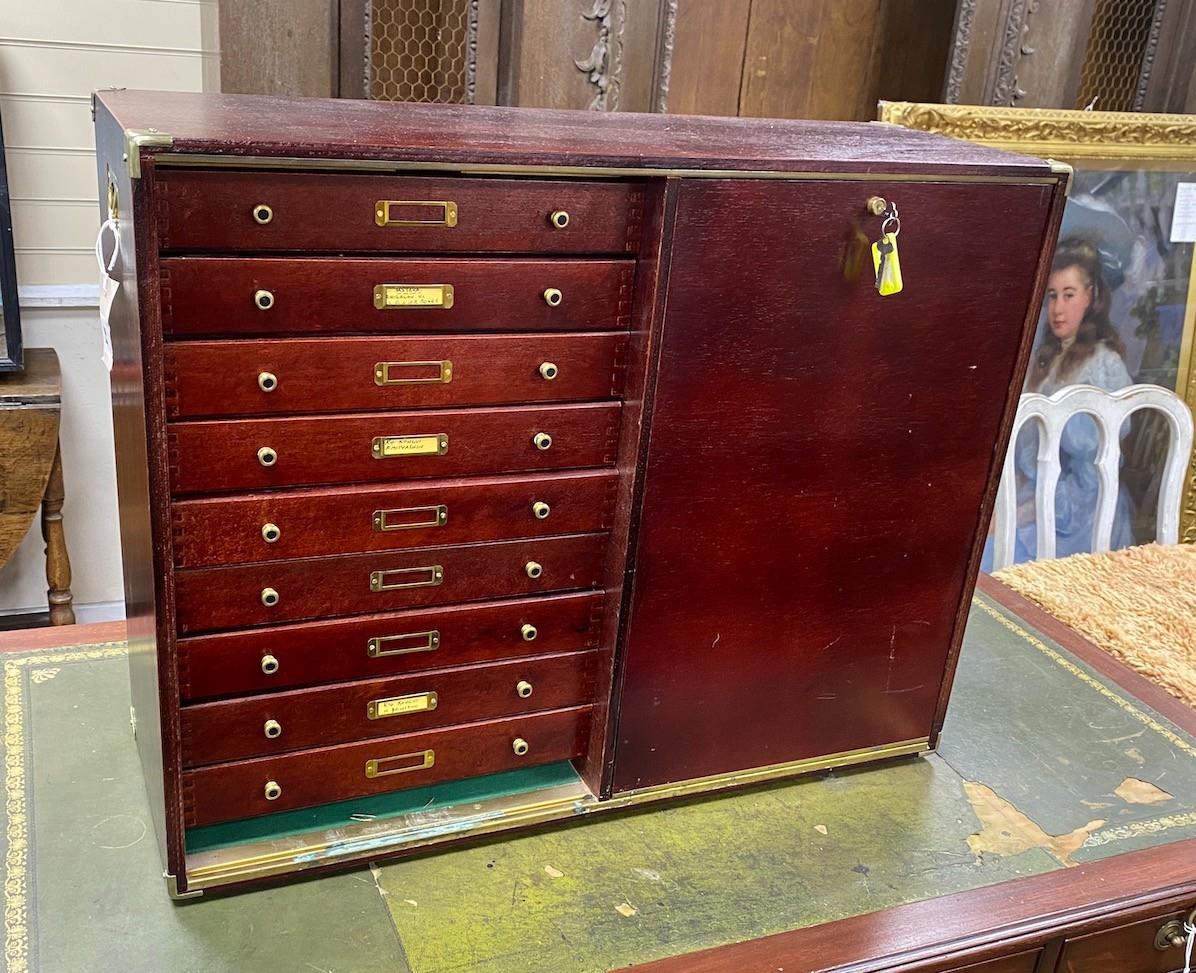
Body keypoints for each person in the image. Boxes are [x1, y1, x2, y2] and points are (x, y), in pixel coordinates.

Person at [983, 237, 1134, 570]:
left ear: (1090, 296)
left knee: (991, 555)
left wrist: (1016, 516)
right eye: (1052, 296)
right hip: (1041, 493)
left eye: (1069, 295)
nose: (1057, 309)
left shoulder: (1105, 363)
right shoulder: (1044, 360)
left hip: (1084, 508)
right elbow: (1026, 445)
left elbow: (1098, 458)